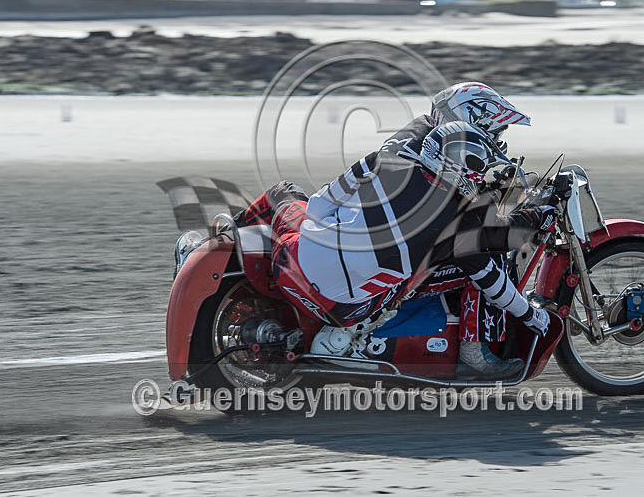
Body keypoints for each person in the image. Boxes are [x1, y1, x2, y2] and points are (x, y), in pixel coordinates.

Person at [236, 82, 555, 379]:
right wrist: (532, 316)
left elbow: (319, 208)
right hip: (346, 308)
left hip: (291, 260)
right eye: (494, 135)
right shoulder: (458, 223)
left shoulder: (393, 153)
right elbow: (491, 250)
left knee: (283, 190)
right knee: (484, 262)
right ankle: (473, 352)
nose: (496, 144)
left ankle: (229, 235)